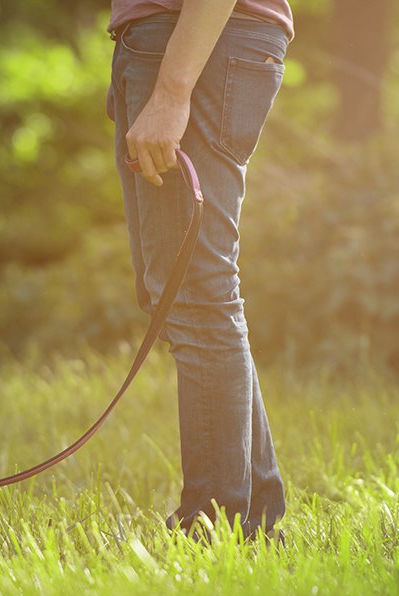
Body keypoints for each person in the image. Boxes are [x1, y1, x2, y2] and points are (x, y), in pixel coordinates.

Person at [107, 0, 293, 540]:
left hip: (197, 41)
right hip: (177, 43)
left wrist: (169, 91)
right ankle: (253, 516)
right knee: (184, 291)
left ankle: (213, 523)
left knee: (196, 294)